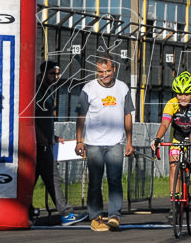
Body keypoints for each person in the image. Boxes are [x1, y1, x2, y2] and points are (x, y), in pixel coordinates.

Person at [75, 58, 134, 232]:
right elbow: (80, 115)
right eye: (100, 72)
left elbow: (128, 115)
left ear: (114, 69)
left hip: (116, 142)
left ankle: (115, 215)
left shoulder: (123, 88)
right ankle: (96, 217)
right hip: (93, 143)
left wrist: (129, 140)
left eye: (107, 71)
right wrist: (79, 140)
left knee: (115, 180)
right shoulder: (88, 89)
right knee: (95, 181)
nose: (104, 75)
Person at [150, 71, 191, 224]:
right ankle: (174, 204)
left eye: (186, 94)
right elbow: (165, 124)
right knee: (174, 167)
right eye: (179, 94)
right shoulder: (171, 104)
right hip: (179, 134)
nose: (183, 97)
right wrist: (157, 138)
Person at [34, 60, 85, 226]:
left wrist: (53, 136)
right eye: (52, 74)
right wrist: (39, 135)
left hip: (45, 142)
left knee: (32, 181)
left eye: (57, 74)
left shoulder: (49, 89)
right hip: (38, 144)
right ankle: (66, 214)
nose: (55, 77)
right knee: (53, 178)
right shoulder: (36, 89)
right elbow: (31, 117)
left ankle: (27, 210)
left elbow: (45, 118)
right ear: (43, 74)